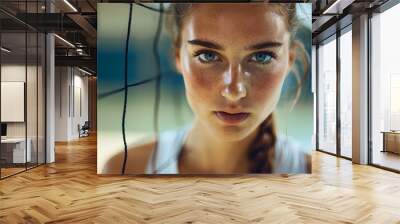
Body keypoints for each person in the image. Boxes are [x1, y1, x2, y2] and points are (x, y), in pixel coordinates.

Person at [105, 2, 311, 174]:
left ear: (290, 60)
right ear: (178, 57)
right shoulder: (125, 168)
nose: (234, 90)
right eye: (208, 55)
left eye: (262, 56)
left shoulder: (312, 176)